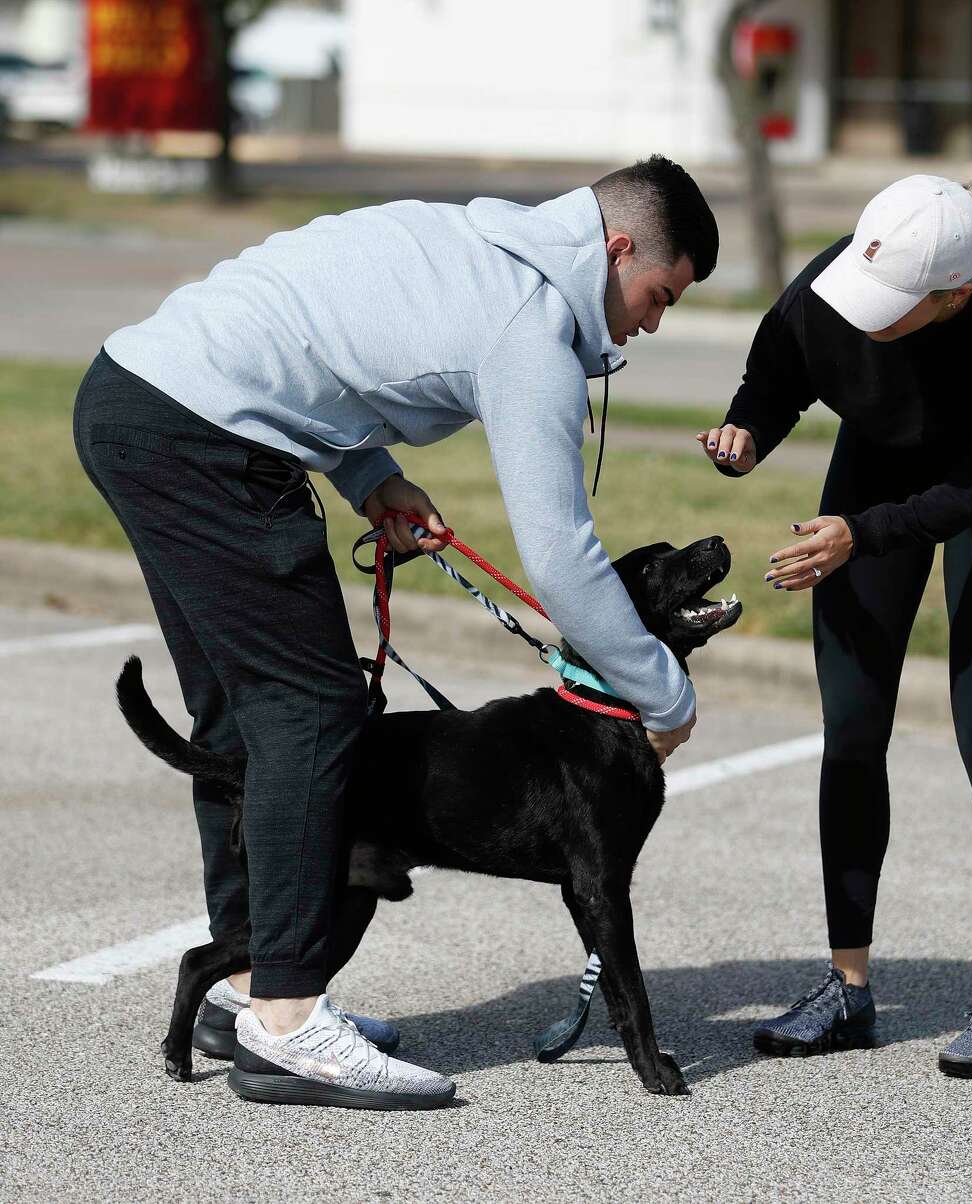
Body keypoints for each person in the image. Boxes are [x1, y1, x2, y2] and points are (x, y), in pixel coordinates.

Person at [74, 154, 718, 1110]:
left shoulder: (471, 236)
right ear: (618, 249)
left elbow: (319, 339)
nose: (652, 323)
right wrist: (664, 694)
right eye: (659, 295)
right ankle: (287, 1024)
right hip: (204, 438)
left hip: (135, 398)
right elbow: (562, 560)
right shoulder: (530, 328)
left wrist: (369, 475)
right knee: (309, 711)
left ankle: (249, 988)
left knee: (248, 718)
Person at [699, 174, 972, 1078]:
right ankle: (847, 987)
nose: (863, 316)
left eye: (891, 304)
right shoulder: (835, 284)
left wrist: (861, 535)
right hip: (872, 471)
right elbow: (777, 370)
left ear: (953, 297)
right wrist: (747, 431)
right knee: (853, 728)